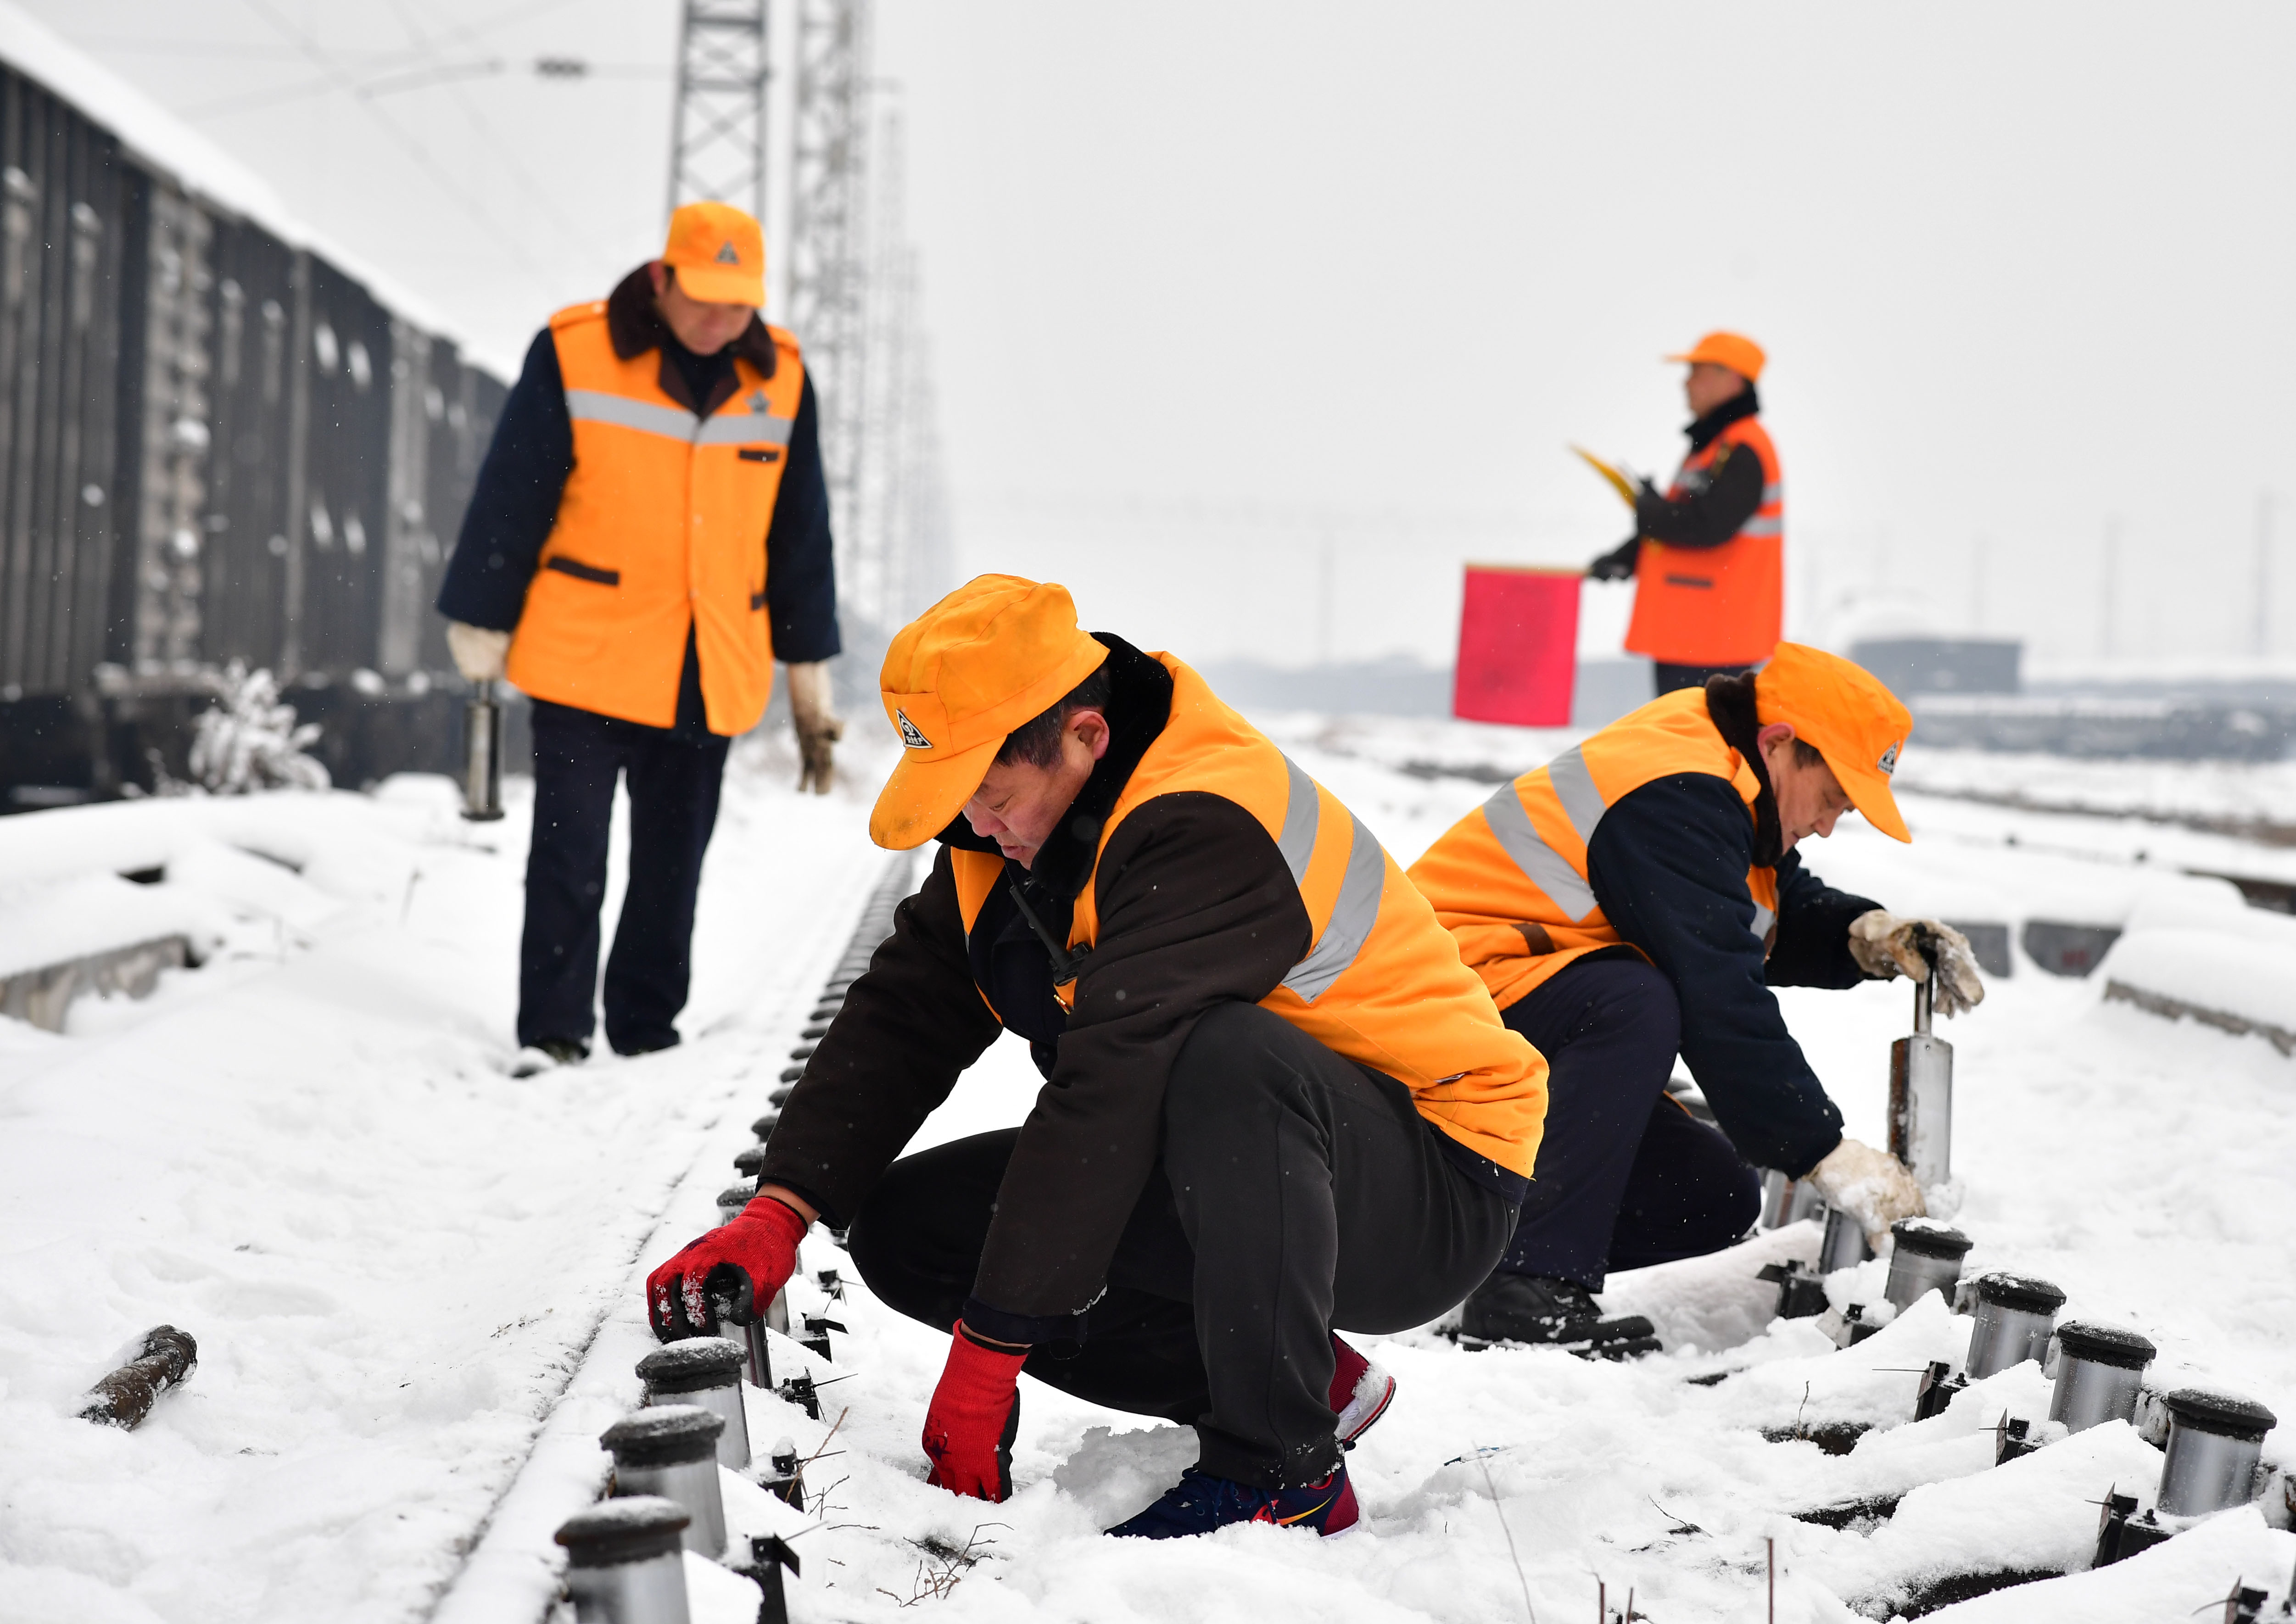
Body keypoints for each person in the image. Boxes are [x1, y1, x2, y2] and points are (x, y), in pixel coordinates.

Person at [643, 575, 1548, 1538]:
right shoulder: (1006, 830)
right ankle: (1304, 1377)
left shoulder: (1206, 817)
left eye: (993, 797)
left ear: (1086, 735)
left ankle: (1283, 1466)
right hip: (1254, 1167)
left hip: (1428, 1181)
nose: (980, 827)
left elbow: (1110, 1094)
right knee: (915, 1228)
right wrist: (784, 1204)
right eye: (959, 803)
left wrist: (988, 1352)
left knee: (1222, 1052)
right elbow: (911, 1006)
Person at [1406, 644, 1985, 1352]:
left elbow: (1745, 907)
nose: (1831, 823)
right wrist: (1824, 1151)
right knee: (1640, 997)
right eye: (1833, 797)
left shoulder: (1725, 779)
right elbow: (1715, 987)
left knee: (1710, 1193)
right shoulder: (1676, 787)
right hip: (1439, 1005)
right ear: (1780, 744)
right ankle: (1527, 1288)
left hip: (1522, 1006)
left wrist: (1862, 933)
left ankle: (1464, 1260)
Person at [436, 202, 844, 1077]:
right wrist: (481, 612)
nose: (718, 320)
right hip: (585, 651)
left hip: (710, 661)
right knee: (569, 851)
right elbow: (516, 491)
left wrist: (807, 668)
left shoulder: (783, 379)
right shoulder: (577, 352)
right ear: (663, 280)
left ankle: (645, 1030)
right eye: (702, 300)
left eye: (738, 305)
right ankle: (552, 1029)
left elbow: (800, 532)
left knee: (672, 866)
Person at [1587, 331, 1784, 696]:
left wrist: (1649, 510)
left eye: (1698, 371)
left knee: (1696, 750)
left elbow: (1708, 525)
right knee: (1685, 747)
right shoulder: (1713, 447)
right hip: (1693, 634)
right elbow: (1682, 519)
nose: (1687, 382)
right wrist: (1629, 554)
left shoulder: (1744, 447)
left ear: (1733, 378)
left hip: (1716, 637)